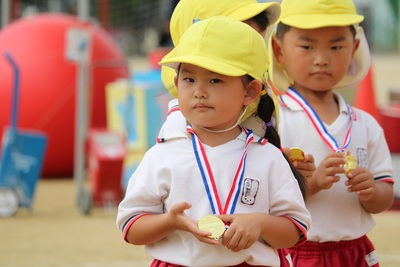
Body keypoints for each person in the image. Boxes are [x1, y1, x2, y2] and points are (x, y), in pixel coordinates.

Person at [117, 16, 311, 267]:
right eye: (189, 79)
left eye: (215, 80)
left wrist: (259, 223)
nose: (199, 91)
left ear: (250, 91)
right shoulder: (162, 154)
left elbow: (295, 231)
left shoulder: (268, 157)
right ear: (177, 84)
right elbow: (130, 227)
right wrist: (171, 222)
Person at [268, 0, 395, 266]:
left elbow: (384, 196)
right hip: (297, 252)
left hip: (355, 252)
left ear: (354, 50)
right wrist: (311, 184)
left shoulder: (366, 124)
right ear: (279, 51)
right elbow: (265, 200)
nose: (322, 59)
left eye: (336, 46)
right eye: (307, 46)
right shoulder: (272, 121)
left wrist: (371, 190)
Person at [157, 0, 316, 183]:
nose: (251, 51)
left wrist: (280, 164)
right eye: (239, 41)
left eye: (256, 42)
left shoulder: (257, 96)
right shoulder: (184, 121)